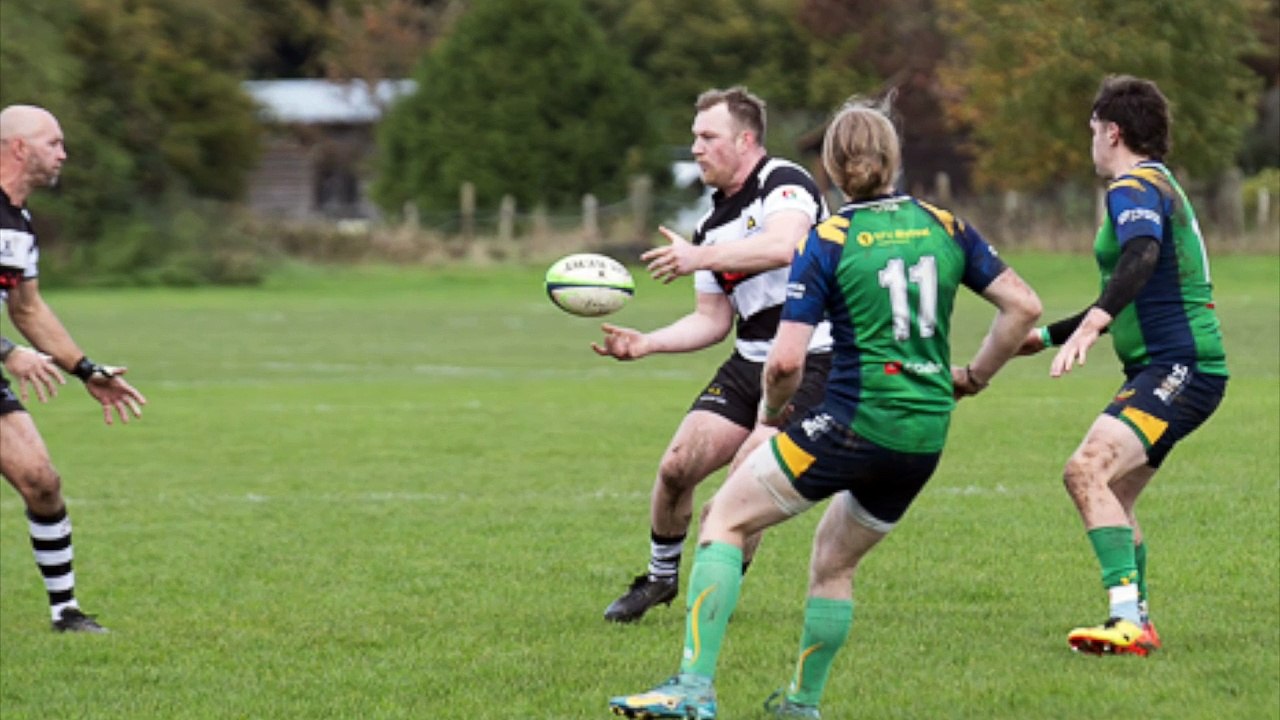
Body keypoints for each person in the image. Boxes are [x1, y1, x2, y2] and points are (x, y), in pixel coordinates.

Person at [608, 96, 1041, 719]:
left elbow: (785, 364)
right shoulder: (947, 226)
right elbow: (1023, 307)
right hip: (923, 438)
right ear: (893, 158)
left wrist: (770, 415)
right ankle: (800, 704)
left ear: (831, 171)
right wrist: (974, 375)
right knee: (834, 565)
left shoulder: (830, 238)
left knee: (726, 518)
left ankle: (692, 690)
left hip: (849, 420)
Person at [594, 86, 833, 623]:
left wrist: (696, 255)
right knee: (677, 467)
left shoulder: (784, 182)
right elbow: (712, 319)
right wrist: (647, 342)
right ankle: (659, 579)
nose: (696, 148)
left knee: (742, 484)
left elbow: (787, 246)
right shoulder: (710, 226)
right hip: (750, 360)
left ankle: (713, 598)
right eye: (694, 137)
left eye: (708, 137)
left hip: (812, 358)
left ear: (745, 140)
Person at [1017, 75, 1228, 656]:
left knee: (1085, 471)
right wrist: (1045, 334)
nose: (1089, 141)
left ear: (1113, 131)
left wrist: (1092, 324)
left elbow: (1141, 255)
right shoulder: (1156, 184)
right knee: (1114, 495)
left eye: (1091, 129)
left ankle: (1126, 620)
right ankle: (1139, 622)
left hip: (1178, 366)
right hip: (1171, 367)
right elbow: (1130, 285)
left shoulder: (1132, 185)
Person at [1, 104, 148, 633]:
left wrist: (86, 370)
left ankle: (65, 613)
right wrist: (7, 353)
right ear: (19, 148)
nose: (63, 153)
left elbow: (28, 309)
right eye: (54, 142)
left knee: (41, 481)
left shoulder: (18, 222)